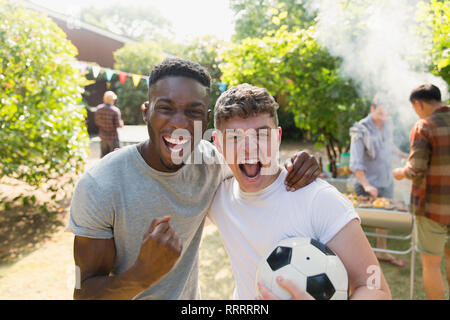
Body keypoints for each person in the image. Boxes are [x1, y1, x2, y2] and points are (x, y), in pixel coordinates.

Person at [67, 58, 320, 300]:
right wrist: (141, 275)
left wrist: (300, 163)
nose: (179, 123)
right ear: (146, 112)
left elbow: (257, 167)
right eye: (165, 108)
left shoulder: (211, 164)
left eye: (193, 112)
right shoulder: (100, 185)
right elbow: (83, 292)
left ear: (205, 118)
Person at [208, 84, 391, 300]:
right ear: (218, 144)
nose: (250, 147)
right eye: (235, 138)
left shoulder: (319, 199)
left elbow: (376, 288)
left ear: (277, 137)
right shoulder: (218, 197)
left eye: (262, 135)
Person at [393, 84, 450, 300]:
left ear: (420, 104)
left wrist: (400, 172)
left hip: (432, 208)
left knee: (431, 264)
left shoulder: (425, 126)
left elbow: (416, 170)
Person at [349, 97, 406, 267]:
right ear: (372, 108)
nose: (383, 117)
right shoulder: (360, 130)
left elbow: (389, 145)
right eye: (380, 113)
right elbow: (356, 162)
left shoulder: (388, 124)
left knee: (384, 219)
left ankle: (381, 251)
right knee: (360, 222)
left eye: (387, 113)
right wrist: (366, 185)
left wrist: (402, 155)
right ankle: (359, 258)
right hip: (367, 183)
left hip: (385, 179)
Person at [94, 91, 124, 158]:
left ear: (104, 98)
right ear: (112, 100)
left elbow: (97, 122)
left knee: (103, 158)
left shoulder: (98, 109)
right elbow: (118, 125)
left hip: (103, 137)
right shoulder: (115, 110)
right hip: (113, 138)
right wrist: (122, 123)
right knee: (115, 157)